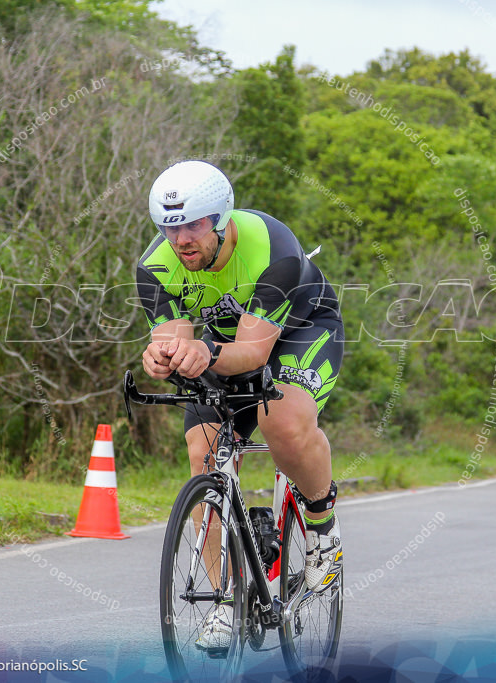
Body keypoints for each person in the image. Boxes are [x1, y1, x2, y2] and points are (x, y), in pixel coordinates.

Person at [135, 160, 344, 651]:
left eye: (193, 224)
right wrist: (162, 356)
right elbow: (173, 336)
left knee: (283, 422)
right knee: (201, 450)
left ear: (221, 219)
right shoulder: (155, 266)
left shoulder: (271, 249)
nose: (181, 238)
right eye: (169, 226)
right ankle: (225, 599)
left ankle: (322, 527)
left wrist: (203, 352)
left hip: (299, 332)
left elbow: (253, 354)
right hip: (227, 341)